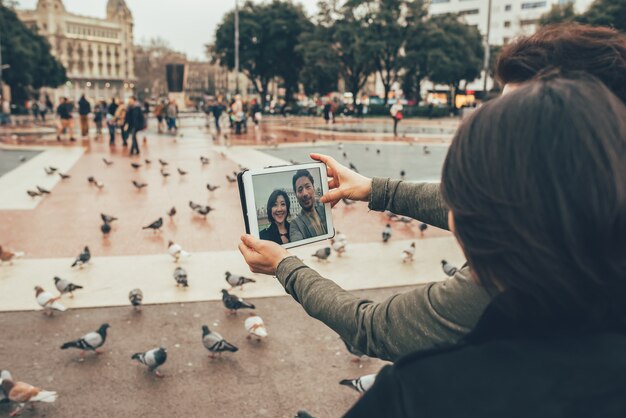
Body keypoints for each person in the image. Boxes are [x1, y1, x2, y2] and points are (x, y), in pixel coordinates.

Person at [237, 22, 626, 364]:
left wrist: (285, 267)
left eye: (515, 117)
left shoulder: (516, 277)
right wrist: (376, 190)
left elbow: (371, 328)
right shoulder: (585, 207)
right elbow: (481, 209)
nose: (494, 125)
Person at [288, 170, 327, 242]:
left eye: (308, 187)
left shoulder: (326, 210)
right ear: (295, 194)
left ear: (314, 188)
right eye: (300, 190)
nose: (305, 193)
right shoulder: (295, 225)